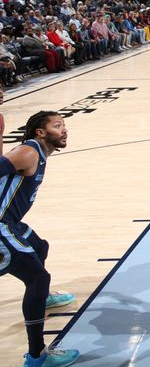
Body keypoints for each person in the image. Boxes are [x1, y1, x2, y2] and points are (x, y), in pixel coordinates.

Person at [1, 111, 79, 367]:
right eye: (58, 126)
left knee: (39, 247)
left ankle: (41, 297)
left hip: (11, 223)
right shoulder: (29, 152)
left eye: (64, 124)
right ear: (40, 132)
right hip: (1, 226)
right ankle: (37, 356)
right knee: (38, 277)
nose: (64, 129)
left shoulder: (40, 152)